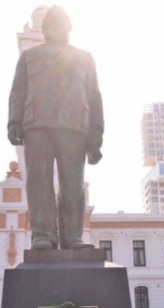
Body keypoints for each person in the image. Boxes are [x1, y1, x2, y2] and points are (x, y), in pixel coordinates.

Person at [7, 5, 104, 250]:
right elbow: (17, 91)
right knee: (38, 180)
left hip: (74, 126)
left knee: (73, 183)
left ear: (69, 28)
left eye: (60, 22)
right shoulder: (29, 57)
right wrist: (14, 121)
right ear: (44, 30)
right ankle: (43, 236)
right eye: (51, 23)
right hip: (36, 124)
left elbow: (95, 96)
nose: (56, 26)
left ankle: (72, 237)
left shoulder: (84, 58)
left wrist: (97, 132)